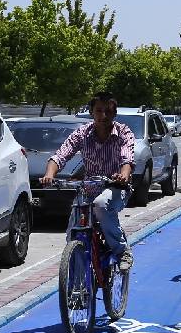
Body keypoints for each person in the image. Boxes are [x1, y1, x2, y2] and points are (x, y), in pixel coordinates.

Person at [41, 93, 135, 272]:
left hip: (115, 188)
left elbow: (127, 158)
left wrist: (123, 175)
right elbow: (61, 154)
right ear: (91, 112)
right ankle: (76, 278)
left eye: (108, 111)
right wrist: (49, 174)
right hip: (89, 188)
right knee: (73, 231)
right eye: (99, 111)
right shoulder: (82, 133)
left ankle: (122, 251)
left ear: (114, 114)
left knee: (101, 205)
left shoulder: (123, 132)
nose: (103, 116)